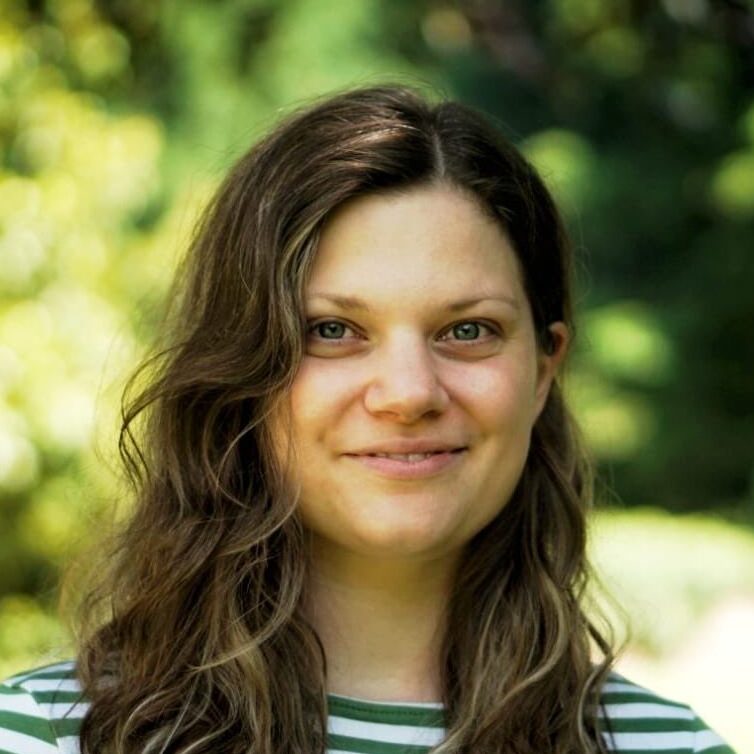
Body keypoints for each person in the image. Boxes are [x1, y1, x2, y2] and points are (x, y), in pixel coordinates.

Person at [0, 86, 735, 754]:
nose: (409, 393)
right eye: (332, 331)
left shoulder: (672, 748)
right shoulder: (44, 737)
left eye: (468, 330)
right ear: (238, 372)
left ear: (544, 370)